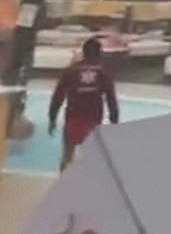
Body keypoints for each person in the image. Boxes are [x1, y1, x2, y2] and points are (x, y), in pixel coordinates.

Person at [48, 37, 119, 171]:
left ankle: (63, 185)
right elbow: (111, 98)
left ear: (84, 52)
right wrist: (114, 120)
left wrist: (52, 118)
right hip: (93, 119)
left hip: (73, 117)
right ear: (99, 53)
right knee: (92, 157)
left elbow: (58, 96)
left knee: (67, 155)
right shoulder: (103, 72)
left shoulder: (71, 70)